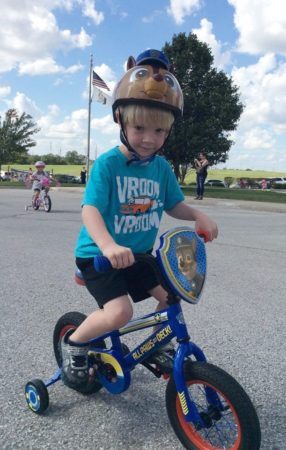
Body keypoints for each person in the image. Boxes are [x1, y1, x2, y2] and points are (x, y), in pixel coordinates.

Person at [60, 49, 218, 389]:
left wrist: (198, 215)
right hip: (100, 256)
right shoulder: (107, 165)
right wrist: (108, 244)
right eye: (140, 127)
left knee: (171, 298)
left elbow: (174, 205)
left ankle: (154, 347)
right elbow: (90, 210)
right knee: (120, 313)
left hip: (139, 257)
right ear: (121, 120)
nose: (149, 138)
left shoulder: (161, 169)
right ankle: (73, 346)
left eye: (160, 131)